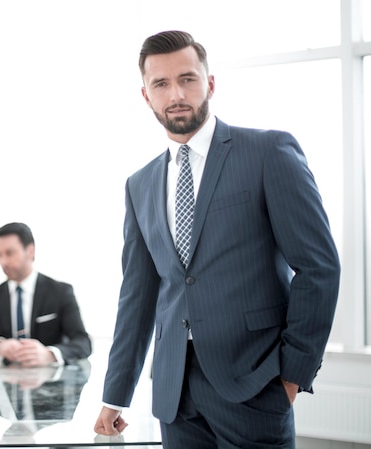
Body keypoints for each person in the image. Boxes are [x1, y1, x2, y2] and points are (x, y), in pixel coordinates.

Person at [93, 30, 340, 449]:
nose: (176, 93)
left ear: (209, 83)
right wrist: (115, 395)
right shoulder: (140, 185)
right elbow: (137, 295)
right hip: (175, 392)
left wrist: (292, 375)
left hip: (256, 384)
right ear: (145, 95)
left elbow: (318, 267)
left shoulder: (268, 152)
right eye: (161, 84)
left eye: (188, 79)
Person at [0, 222, 92, 366]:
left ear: (30, 251)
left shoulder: (60, 292)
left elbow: (83, 343)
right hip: (6, 381)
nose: (3, 261)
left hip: (50, 383)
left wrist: (50, 354)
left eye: (9, 253)